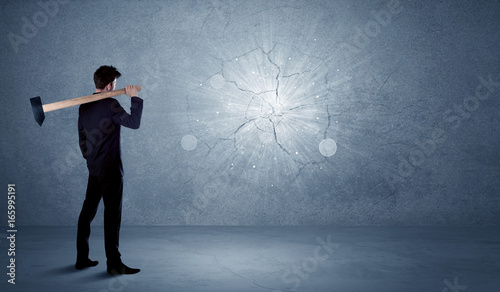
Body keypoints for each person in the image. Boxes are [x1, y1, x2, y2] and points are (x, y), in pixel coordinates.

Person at [75, 65, 143, 275]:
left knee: (87, 212)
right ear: (109, 85)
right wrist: (134, 98)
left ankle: (82, 258)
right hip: (111, 170)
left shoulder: (84, 106)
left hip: (94, 169)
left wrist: (90, 160)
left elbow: (82, 138)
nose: (117, 87)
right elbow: (134, 123)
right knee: (112, 217)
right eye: (115, 84)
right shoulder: (111, 104)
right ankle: (114, 264)